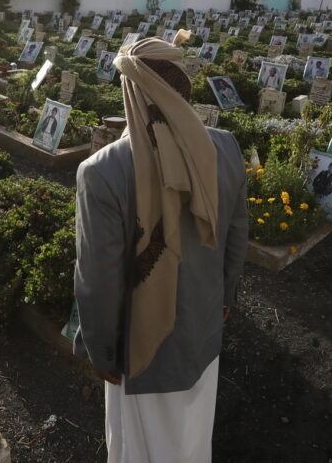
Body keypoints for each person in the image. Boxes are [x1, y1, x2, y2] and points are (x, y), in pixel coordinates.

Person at [73, 32, 248, 463]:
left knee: (143, 447)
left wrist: (101, 349)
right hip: (204, 330)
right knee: (191, 439)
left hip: (142, 346)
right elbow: (236, 234)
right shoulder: (224, 147)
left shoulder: (103, 171)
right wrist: (225, 299)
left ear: (132, 93)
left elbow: (98, 278)